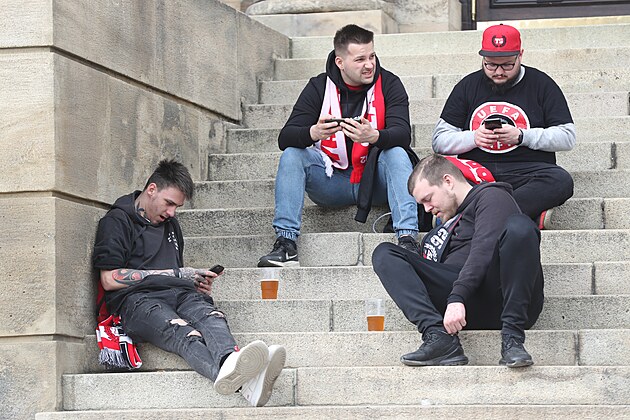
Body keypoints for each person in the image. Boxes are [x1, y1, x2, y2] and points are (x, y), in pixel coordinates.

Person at [92, 159, 286, 407]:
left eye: (177, 206)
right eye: (169, 203)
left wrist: (195, 283)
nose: (172, 213)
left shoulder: (170, 224)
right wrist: (176, 274)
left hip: (179, 294)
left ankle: (231, 363)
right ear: (152, 189)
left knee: (212, 316)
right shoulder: (117, 221)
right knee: (184, 332)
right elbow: (109, 279)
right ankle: (247, 384)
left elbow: (175, 274)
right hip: (136, 302)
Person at [258, 24, 421, 267]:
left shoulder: (389, 83)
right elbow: (285, 138)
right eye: (360, 59)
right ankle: (286, 244)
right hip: (331, 180)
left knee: (397, 153)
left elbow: (403, 134)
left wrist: (374, 136)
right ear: (340, 62)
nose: (369, 65)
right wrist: (312, 133)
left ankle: (407, 239)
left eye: (372, 56)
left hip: (375, 181)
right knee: (292, 154)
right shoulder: (319, 86)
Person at [372, 154, 544, 368]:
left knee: (520, 227)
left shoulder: (492, 196)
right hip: (460, 307)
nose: (427, 209)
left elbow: (483, 250)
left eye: (428, 198)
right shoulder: (440, 230)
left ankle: (513, 339)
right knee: (385, 253)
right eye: (422, 204)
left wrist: (457, 297)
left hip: (501, 295)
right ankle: (439, 338)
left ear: (448, 181)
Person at [432, 23, 576, 229]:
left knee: (560, 180)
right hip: (476, 172)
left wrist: (522, 136)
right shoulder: (467, 86)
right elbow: (439, 140)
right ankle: (519, 216)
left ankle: (469, 219)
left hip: (527, 171)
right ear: (482, 58)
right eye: (490, 65)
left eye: (507, 65)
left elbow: (567, 137)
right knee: (435, 174)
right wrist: (474, 138)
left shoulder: (542, 84)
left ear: (520, 55)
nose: (498, 72)